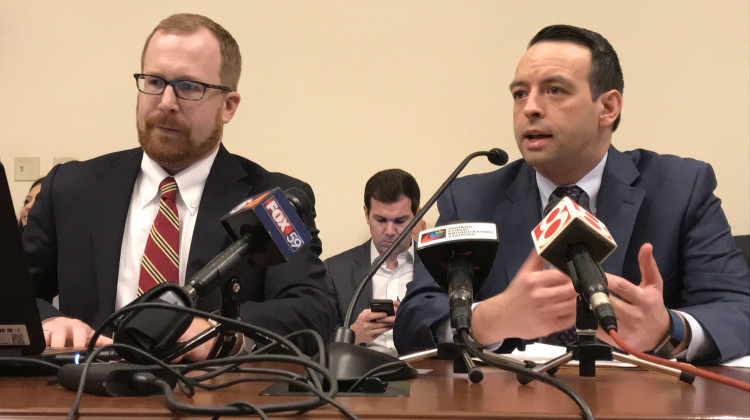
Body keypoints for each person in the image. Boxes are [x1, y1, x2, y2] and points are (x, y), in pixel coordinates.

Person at [393, 24, 750, 364]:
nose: (530, 107)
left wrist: (668, 329)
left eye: (554, 90)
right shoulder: (470, 197)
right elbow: (414, 319)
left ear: (608, 107)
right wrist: (487, 320)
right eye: (520, 93)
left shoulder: (679, 188)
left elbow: (738, 310)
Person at [23, 13, 335, 358]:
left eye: (188, 87)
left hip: (211, 401)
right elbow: (12, 293)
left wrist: (220, 332)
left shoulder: (271, 200)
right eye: (155, 82)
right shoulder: (71, 189)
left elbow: (310, 310)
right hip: (83, 393)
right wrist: (48, 322)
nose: (166, 102)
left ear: (228, 106)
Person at [325, 169, 422, 355]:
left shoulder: (436, 266)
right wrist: (351, 335)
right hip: (360, 376)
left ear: (417, 215)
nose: (390, 230)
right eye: (380, 220)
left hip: (425, 376)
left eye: (401, 221)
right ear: (366, 213)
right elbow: (316, 344)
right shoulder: (335, 270)